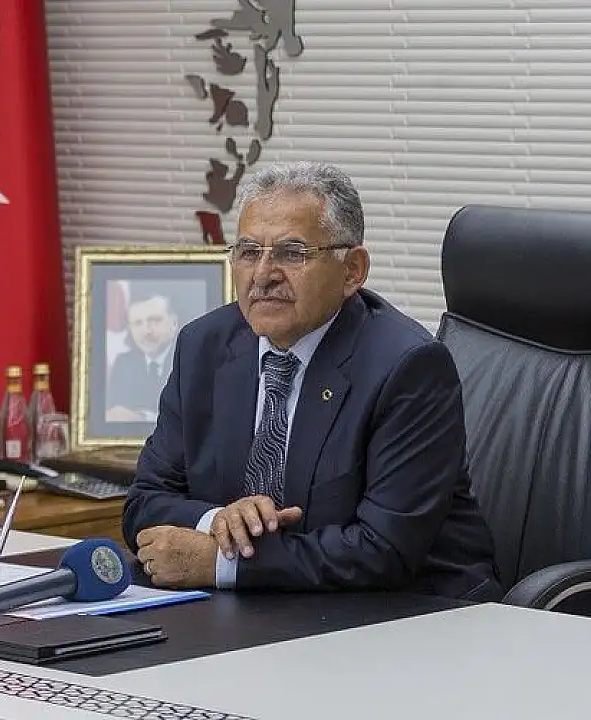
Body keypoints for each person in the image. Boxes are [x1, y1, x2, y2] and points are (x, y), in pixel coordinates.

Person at [121, 161, 502, 601]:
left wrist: (224, 562)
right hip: (268, 610)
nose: (263, 274)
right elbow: (144, 503)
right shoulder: (203, 346)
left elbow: (383, 550)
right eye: (248, 252)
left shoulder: (407, 367)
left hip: (413, 610)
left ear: (352, 270)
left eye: (291, 253)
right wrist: (219, 522)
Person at [105, 286, 180, 422]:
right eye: (138, 323)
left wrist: (142, 417)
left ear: (174, 324)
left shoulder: (188, 360)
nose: (146, 331)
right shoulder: (123, 363)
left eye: (155, 320)